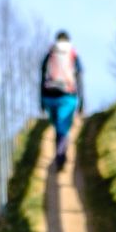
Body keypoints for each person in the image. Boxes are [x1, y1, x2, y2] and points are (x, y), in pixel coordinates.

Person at [39, 30, 84, 172]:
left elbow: (42, 74)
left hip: (49, 95)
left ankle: (60, 155)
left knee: (58, 125)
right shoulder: (72, 53)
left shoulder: (51, 52)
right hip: (67, 95)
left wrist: (40, 99)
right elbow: (79, 76)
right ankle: (60, 156)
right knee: (63, 126)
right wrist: (81, 101)